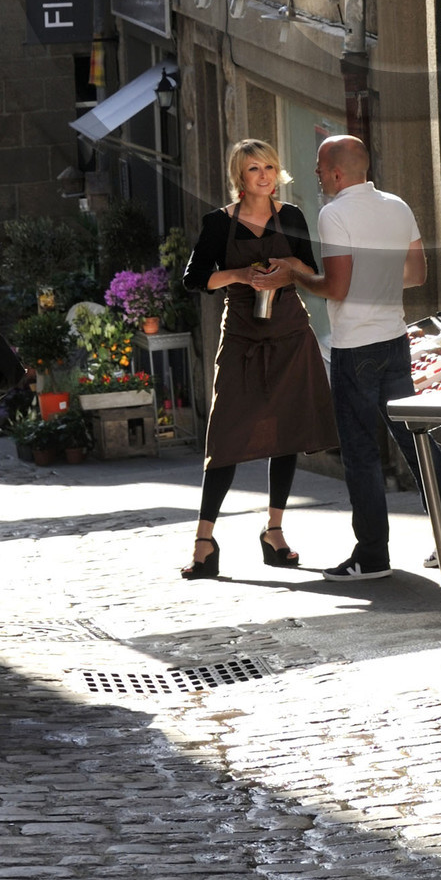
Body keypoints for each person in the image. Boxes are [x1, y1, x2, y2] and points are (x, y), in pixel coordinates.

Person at [297, 134, 441, 582]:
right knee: (416, 439)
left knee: (360, 453)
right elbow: (415, 275)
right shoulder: (397, 205)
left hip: (355, 346)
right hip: (395, 338)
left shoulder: (333, 213)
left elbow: (334, 287)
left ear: (336, 172)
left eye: (319, 166)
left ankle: (372, 555)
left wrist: (298, 276)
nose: (316, 173)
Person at [180, 138, 338, 577]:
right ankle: (204, 539)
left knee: (286, 431)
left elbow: (311, 272)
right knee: (226, 434)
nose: (264, 175)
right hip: (243, 337)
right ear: (239, 177)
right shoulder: (218, 223)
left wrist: (286, 263)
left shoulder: (291, 216)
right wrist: (241, 275)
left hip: (290, 331)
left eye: (269, 167)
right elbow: (195, 279)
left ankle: (274, 530)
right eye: (253, 169)